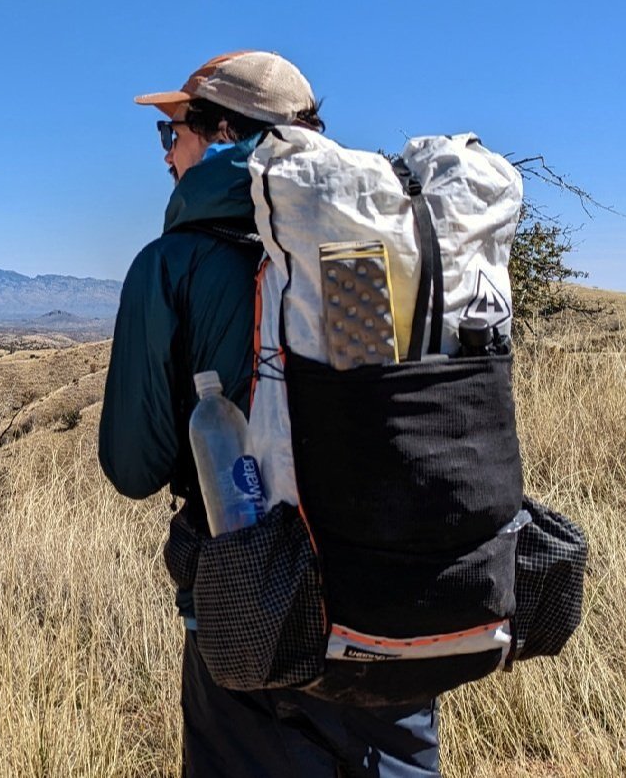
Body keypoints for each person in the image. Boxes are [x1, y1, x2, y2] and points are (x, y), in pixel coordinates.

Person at [98, 51, 442, 778]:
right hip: (389, 602)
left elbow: (132, 467)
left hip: (252, 609)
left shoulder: (173, 262)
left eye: (173, 134)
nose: (166, 154)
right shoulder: (362, 245)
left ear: (224, 132)